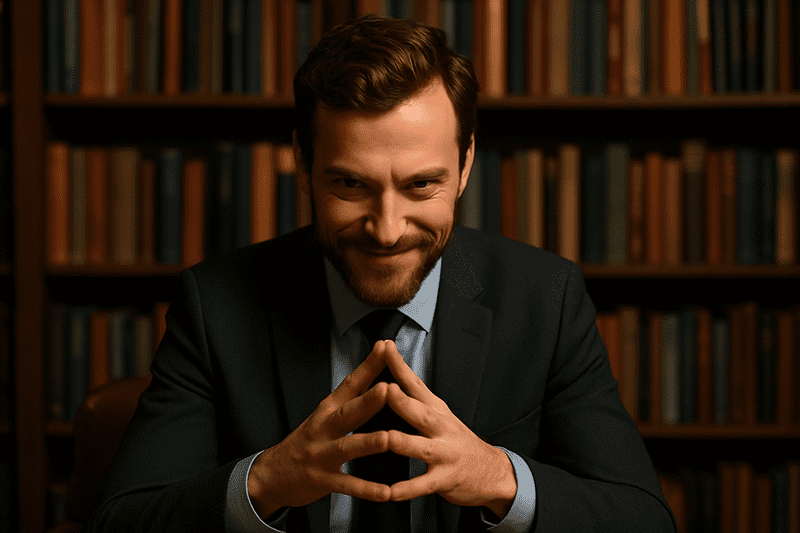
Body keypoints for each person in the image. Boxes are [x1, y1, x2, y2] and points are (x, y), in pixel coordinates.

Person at [86, 14, 677, 533]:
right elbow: (122, 521)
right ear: (303, 164)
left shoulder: (546, 298)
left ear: (465, 164)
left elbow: (642, 519)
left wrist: (498, 476)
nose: (387, 230)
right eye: (351, 184)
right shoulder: (215, 303)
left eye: (421, 185)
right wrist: (266, 481)